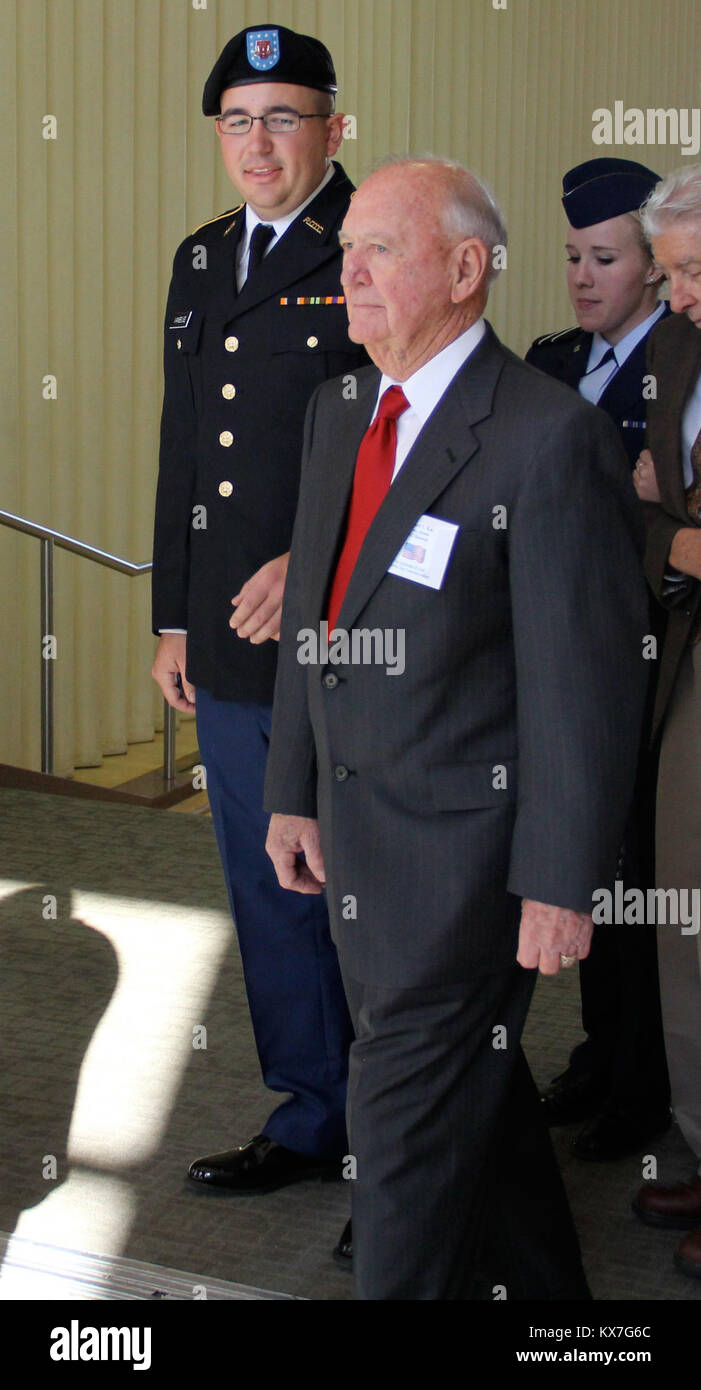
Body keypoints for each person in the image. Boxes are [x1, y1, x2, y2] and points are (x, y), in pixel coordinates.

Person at [263, 157, 650, 1299]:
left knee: (399, 1136)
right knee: (467, 1107)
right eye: (347, 253)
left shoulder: (544, 439)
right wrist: (291, 782)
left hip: (467, 867)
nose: (350, 274)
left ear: (467, 268)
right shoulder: (341, 409)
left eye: (381, 248)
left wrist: (559, 880)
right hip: (352, 837)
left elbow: (583, 682)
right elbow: (311, 617)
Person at [151, 25, 365, 1193]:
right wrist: (170, 618)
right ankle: (308, 1116)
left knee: (358, 886)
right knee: (262, 884)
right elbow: (187, 448)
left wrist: (314, 557)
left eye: (284, 116)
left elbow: (412, 433)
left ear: (334, 127)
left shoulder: (372, 241)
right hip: (229, 642)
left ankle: (395, 1137)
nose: (259, 141)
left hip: (345, 629)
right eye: (238, 119)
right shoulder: (200, 258)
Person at [526, 157, 671, 1162]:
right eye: (572, 256)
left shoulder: (688, 365)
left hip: (653, 660)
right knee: (578, 860)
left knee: (640, 878)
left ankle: (640, 1080)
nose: (582, 276)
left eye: (604, 258)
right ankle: (595, 1054)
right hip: (557, 658)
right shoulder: (547, 361)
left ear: (657, 268)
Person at [629, 163, 701, 1280]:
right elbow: (632, 502)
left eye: (692, 270)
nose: (674, 294)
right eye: (671, 270)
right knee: (684, 919)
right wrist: (675, 539)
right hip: (687, 657)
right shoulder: (675, 348)